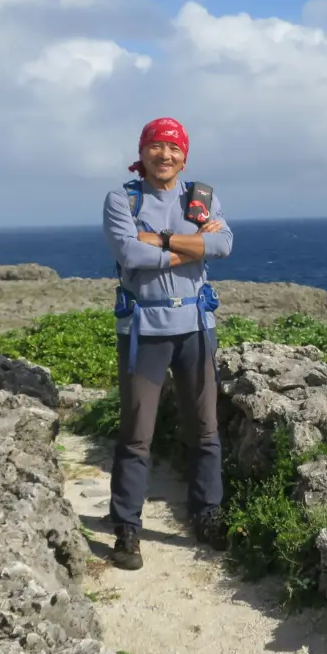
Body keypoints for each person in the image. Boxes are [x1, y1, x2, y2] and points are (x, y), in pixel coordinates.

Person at [102, 117, 233, 570]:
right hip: (144, 329)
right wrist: (193, 246)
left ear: (185, 155)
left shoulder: (202, 197)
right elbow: (130, 255)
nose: (166, 155)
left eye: (174, 148)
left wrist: (159, 240)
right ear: (143, 153)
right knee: (138, 432)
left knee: (206, 426)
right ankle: (127, 528)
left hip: (196, 324)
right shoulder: (123, 198)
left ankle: (207, 513)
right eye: (156, 146)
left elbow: (225, 245)